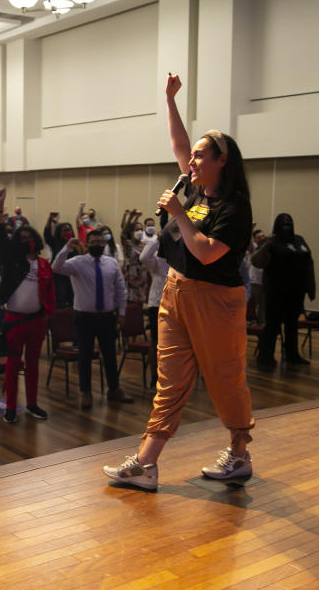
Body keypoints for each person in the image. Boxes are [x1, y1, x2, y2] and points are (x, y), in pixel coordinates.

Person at [104, 74, 254, 490]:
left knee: (225, 378)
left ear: (222, 161)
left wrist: (179, 214)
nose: (192, 163)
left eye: (201, 157)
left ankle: (239, 454)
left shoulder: (234, 207)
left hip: (216, 301)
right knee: (168, 381)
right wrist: (169, 101)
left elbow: (206, 252)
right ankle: (146, 464)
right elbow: (178, 144)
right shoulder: (196, 190)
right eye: (193, 158)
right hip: (175, 292)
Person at [0, 188, 54, 423]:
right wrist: (0, 206)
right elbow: (0, 236)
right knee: (12, 364)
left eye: (31, 238)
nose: (28, 241)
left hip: (37, 321)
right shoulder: (11, 262)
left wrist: (48, 315)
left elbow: (49, 293)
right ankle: (10, 406)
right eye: (23, 238)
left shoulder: (43, 264)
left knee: (33, 364)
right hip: (15, 320)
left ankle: (32, 404)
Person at [52, 228, 130, 408]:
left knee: (110, 355)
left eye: (100, 242)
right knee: (85, 356)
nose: (97, 245)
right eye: (93, 242)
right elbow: (56, 267)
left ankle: (114, 389)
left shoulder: (111, 263)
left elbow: (120, 289)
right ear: (86, 245)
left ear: (104, 244)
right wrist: (66, 248)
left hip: (107, 317)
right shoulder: (77, 262)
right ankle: (85, 392)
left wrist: (122, 313)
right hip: (84, 317)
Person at [251, 213, 316, 368]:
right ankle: (265, 359)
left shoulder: (299, 240)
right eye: (284, 222)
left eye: (289, 221)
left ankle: (292, 355)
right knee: (273, 326)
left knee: (292, 325)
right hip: (276, 291)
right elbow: (256, 261)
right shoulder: (271, 241)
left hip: (296, 291)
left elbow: (309, 262)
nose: (287, 224)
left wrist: (311, 286)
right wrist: (267, 244)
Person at [139, 230, 169, 386]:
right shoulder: (158, 257)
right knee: (156, 341)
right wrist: (156, 239)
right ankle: (154, 378)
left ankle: (171, 378)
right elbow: (143, 257)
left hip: (177, 304)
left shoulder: (182, 255)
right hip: (157, 303)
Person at [43, 211, 79, 308]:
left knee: (73, 300)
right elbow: (47, 233)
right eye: (64, 230)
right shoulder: (55, 242)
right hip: (58, 276)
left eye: (69, 230)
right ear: (59, 232)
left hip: (72, 275)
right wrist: (49, 219)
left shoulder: (77, 244)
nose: (67, 232)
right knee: (61, 300)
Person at [120, 214, 151, 306]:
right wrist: (130, 216)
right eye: (137, 230)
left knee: (139, 305)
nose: (140, 231)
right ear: (132, 232)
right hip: (129, 278)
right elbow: (123, 234)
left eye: (141, 229)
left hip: (142, 278)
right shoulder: (128, 244)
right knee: (129, 305)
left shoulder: (145, 245)